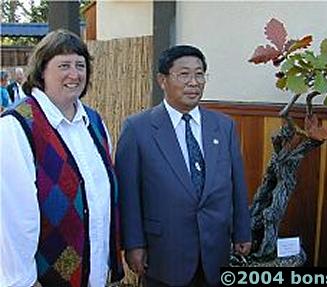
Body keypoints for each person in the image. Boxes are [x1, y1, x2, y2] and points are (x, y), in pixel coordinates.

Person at [115, 45, 251, 287]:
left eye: (200, 74)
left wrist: (242, 231)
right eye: (184, 74)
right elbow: (129, 195)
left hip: (215, 249)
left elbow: (237, 183)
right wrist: (133, 244)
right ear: (162, 80)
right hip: (164, 253)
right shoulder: (138, 128)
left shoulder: (223, 126)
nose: (194, 82)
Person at [0, 29, 123, 287]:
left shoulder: (95, 123)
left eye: (80, 65)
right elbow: (14, 220)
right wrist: (21, 281)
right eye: (64, 65)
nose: (74, 74)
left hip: (95, 273)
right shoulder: (17, 126)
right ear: (41, 72)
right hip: (44, 279)